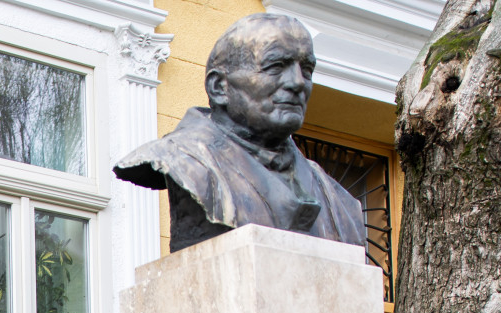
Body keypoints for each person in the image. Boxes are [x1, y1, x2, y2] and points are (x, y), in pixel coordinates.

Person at [113, 12, 366, 252]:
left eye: (307, 70)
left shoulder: (342, 204)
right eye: (276, 66)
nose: (298, 82)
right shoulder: (183, 161)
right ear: (219, 87)